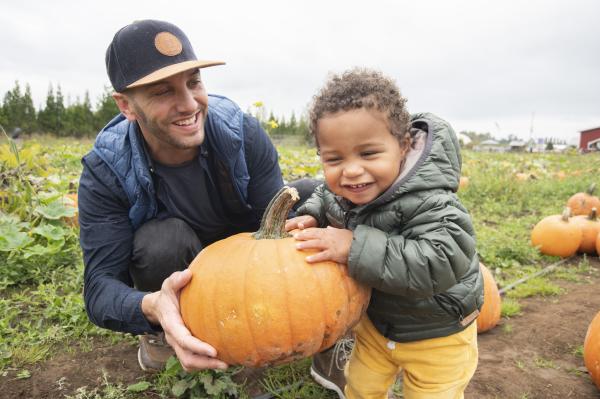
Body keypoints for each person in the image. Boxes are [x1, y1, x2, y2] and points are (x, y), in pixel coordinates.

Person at [78, 19, 317, 372]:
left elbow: (269, 224)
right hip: (179, 269)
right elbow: (99, 289)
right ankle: (165, 327)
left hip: (240, 253)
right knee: (161, 241)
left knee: (312, 193)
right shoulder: (105, 170)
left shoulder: (242, 132)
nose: (189, 105)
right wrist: (152, 305)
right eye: (162, 91)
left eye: (193, 83)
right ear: (126, 106)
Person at [285, 68, 483, 399]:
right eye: (334, 159)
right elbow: (325, 195)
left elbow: (440, 261)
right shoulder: (346, 189)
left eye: (368, 153)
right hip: (376, 328)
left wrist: (355, 247)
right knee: (360, 388)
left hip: (438, 333)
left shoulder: (432, 202)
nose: (350, 170)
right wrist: (310, 215)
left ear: (403, 146)